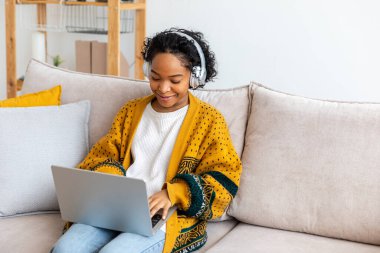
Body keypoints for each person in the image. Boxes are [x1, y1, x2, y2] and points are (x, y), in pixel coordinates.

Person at [52, 28, 242, 253]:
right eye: (155, 78)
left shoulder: (210, 121)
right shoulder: (131, 111)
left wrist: (174, 193)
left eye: (175, 80)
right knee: (65, 249)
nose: (163, 88)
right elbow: (103, 154)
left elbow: (224, 178)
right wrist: (113, 185)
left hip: (166, 217)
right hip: (115, 207)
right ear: (146, 71)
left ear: (195, 77)